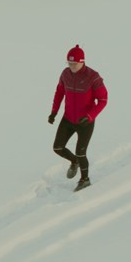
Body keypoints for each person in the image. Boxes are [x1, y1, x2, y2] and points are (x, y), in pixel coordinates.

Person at [48, 45, 108, 191]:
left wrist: (90, 116)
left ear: (82, 61)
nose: (72, 66)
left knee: (81, 152)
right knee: (57, 147)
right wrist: (54, 112)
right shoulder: (65, 74)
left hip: (85, 122)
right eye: (69, 63)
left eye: (74, 63)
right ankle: (73, 161)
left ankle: (84, 180)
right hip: (68, 119)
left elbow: (103, 100)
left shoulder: (93, 77)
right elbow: (59, 93)